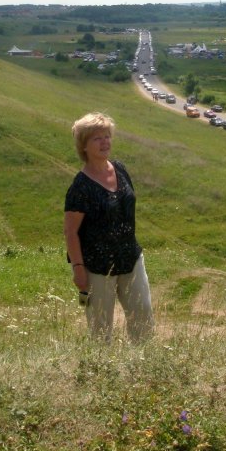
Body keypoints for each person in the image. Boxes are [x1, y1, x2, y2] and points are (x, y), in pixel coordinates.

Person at [64, 112, 154, 342]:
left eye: (107, 136)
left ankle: (143, 367)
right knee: (101, 327)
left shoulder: (120, 169)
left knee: (143, 314)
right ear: (83, 146)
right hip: (98, 266)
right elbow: (71, 232)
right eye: (97, 138)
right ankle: (102, 372)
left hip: (130, 258)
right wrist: (78, 269)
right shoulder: (81, 187)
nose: (105, 142)